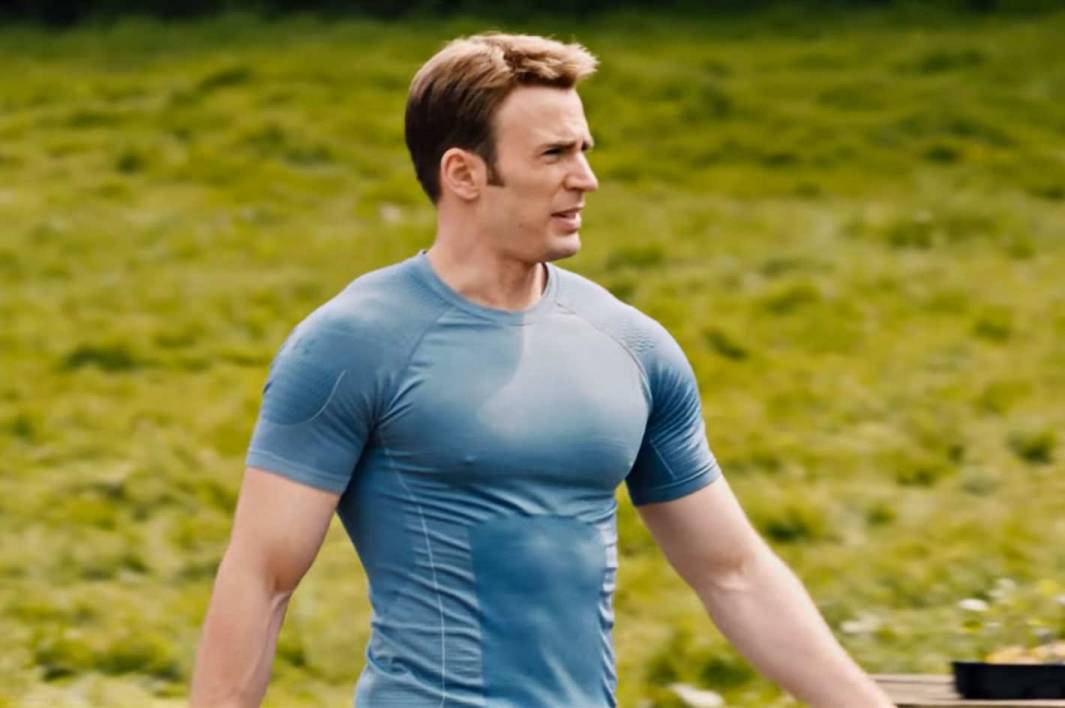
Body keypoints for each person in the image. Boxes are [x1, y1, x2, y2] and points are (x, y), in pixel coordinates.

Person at [190, 33, 892, 707]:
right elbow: (262, 578)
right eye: (554, 154)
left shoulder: (631, 346)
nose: (585, 179)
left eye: (583, 150)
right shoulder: (353, 344)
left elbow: (732, 573)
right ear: (463, 173)